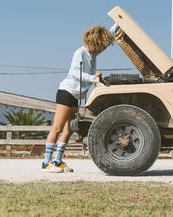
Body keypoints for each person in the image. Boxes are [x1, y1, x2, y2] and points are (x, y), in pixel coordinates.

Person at [42, 23, 118, 173]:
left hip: (75, 96)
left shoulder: (93, 54)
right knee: (57, 128)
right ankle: (46, 163)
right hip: (66, 92)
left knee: (69, 130)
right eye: (101, 45)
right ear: (95, 43)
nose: (102, 48)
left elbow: (108, 36)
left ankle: (57, 161)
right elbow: (75, 73)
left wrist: (117, 24)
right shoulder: (80, 53)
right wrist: (93, 78)